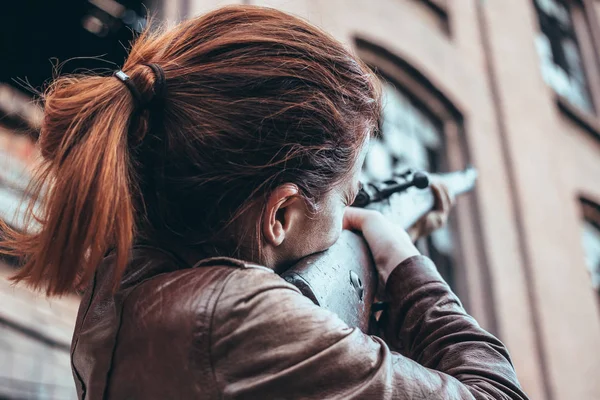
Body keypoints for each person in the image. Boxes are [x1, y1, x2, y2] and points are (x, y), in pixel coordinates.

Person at [1, 5, 529, 400]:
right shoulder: (237, 317)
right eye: (349, 196)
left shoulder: (125, 279)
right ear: (279, 216)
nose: (354, 210)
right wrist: (406, 264)